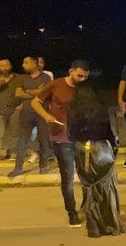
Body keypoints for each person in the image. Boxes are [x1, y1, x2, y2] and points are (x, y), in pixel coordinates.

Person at [32, 60, 91, 227]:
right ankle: (72, 212)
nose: (82, 79)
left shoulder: (84, 88)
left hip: (81, 137)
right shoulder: (55, 85)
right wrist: (47, 117)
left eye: (85, 77)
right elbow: (35, 102)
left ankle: (86, 207)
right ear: (70, 71)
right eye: (79, 75)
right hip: (61, 138)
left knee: (86, 176)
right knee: (68, 178)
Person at [68, 84, 123, 237]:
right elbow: (109, 132)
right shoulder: (100, 108)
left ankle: (94, 226)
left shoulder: (74, 110)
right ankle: (110, 223)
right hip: (101, 148)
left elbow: (71, 134)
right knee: (106, 187)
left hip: (81, 149)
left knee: (89, 187)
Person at [8, 56, 52, 177]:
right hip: (26, 113)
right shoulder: (22, 78)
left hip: (42, 113)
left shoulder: (46, 77)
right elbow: (18, 94)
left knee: (43, 140)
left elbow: (46, 94)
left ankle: (43, 166)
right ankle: (18, 168)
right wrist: (35, 92)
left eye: (26, 63)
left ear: (34, 63)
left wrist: (27, 91)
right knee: (22, 141)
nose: (23, 65)